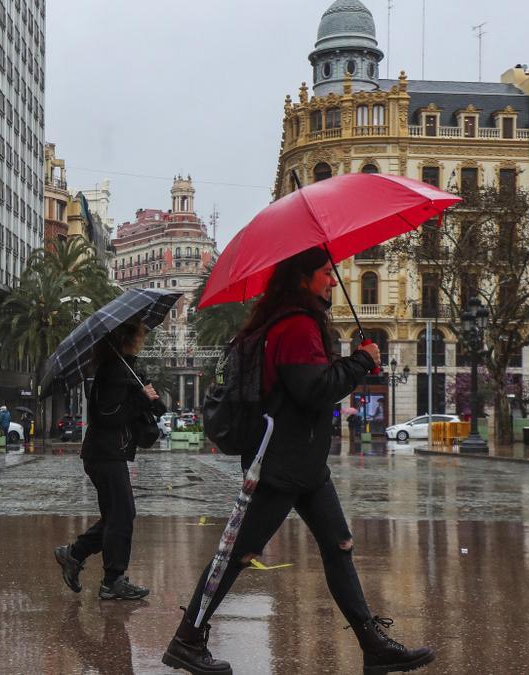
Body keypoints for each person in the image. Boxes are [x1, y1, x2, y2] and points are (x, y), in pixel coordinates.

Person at [161, 248, 434, 675]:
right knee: (238, 552)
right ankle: (186, 639)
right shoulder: (296, 327)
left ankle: (372, 645)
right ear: (304, 279)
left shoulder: (286, 321)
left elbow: (306, 387)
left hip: (303, 464)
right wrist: (363, 360)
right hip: (281, 465)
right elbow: (314, 390)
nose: (332, 280)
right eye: (326, 273)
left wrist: (354, 360)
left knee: (338, 547)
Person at [54, 317, 165, 601]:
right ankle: (112, 580)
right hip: (104, 454)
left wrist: (152, 399)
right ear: (128, 338)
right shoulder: (112, 371)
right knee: (122, 515)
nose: (144, 337)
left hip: (110, 453)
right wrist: (140, 399)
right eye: (140, 333)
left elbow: (150, 405)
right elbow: (107, 416)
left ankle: (74, 554)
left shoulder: (127, 367)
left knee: (116, 516)